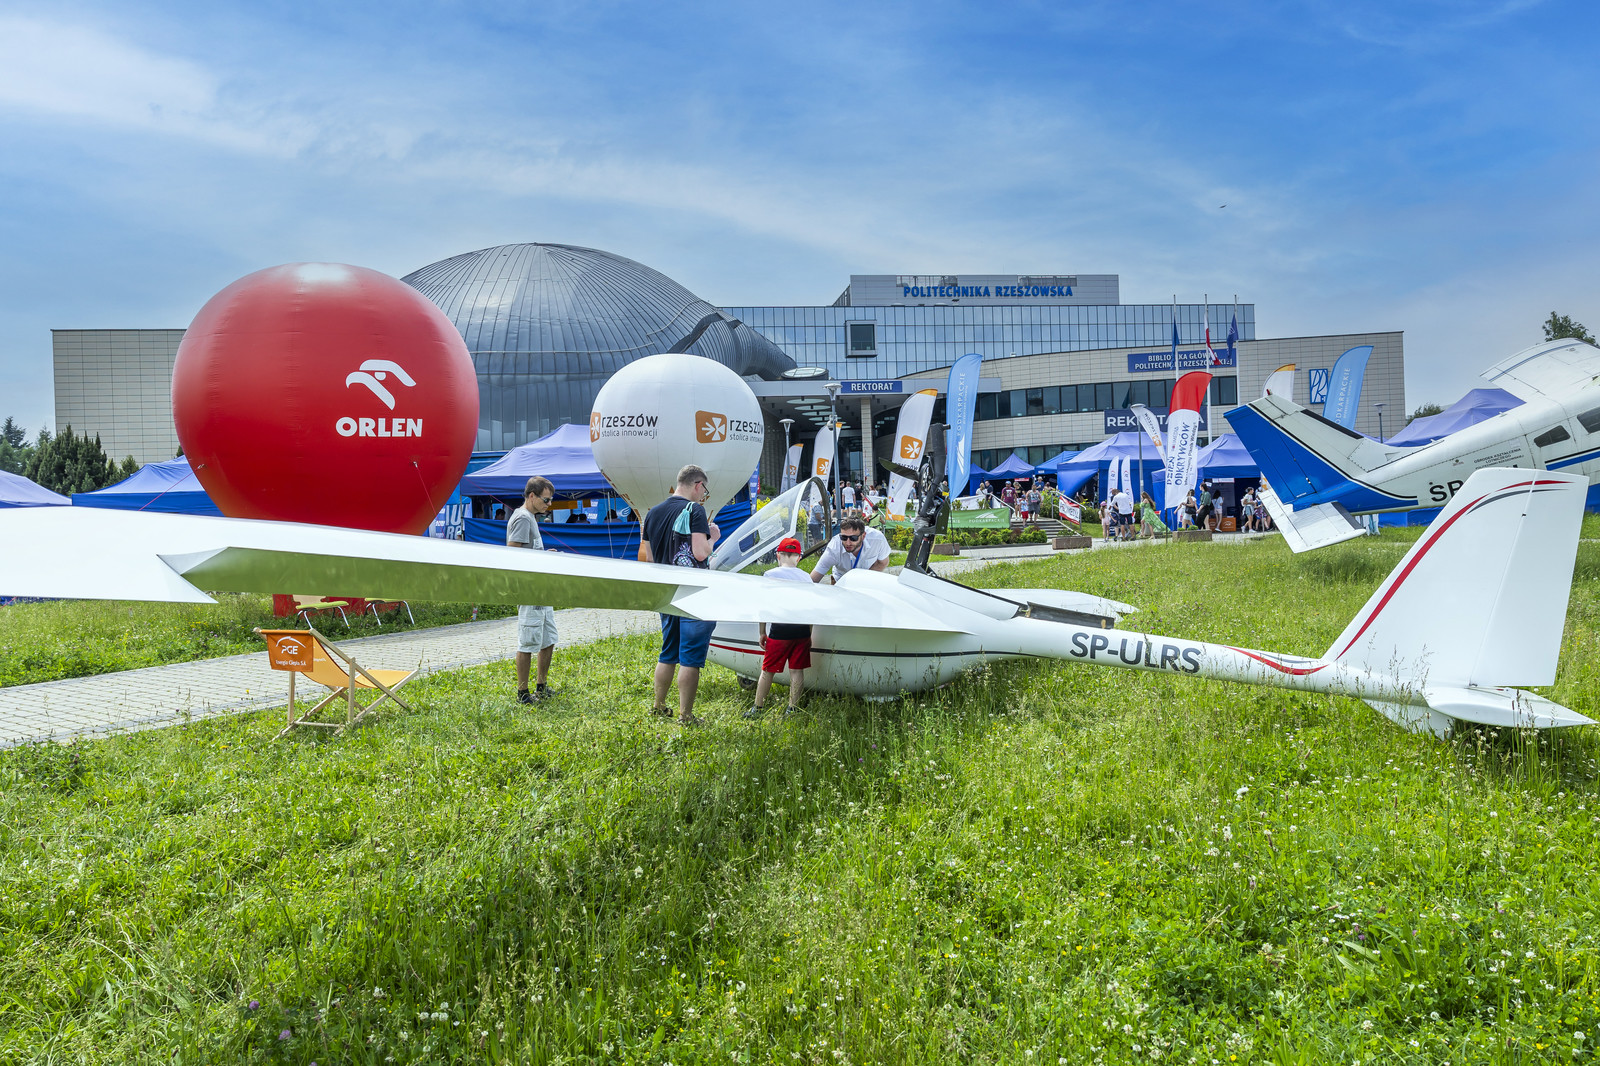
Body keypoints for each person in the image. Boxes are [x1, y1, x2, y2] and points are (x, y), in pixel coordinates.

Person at [641, 464, 721, 725]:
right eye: (704, 490)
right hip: (693, 594)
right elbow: (700, 553)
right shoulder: (694, 510)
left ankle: (659, 706)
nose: (703, 496)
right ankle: (685, 716)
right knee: (690, 658)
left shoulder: (652, 513)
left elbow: (649, 559)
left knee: (668, 652)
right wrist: (713, 537)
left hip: (667, 593)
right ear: (698, 485)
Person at [745, 537, 812, 719]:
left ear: (778, 556)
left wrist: (762, 632)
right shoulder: (806, 578)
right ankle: (792, 709)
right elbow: (811, 609)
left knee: (768, 671)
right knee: (797, 671)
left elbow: (764, 606)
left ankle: (758, 708)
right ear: (798, 557)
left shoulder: (770, 575)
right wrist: (809, 634)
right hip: (802, 631)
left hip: (780, 631)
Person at [507, 476, 557, 704]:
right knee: (527, 643)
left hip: (541, 589)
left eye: (551, 500)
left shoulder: (531, 518)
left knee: (548, 638)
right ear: (532, 496)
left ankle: (541, 687)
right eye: (546, 500)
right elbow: (512, 554)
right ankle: (523, 693)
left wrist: (544, 557)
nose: (549, 504)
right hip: (528, 591)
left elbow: (529, 553)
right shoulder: (522, 518)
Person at [811, 512, 891, 583]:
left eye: (853, 538)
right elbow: (814, 577)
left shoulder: (877, 539)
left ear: (863, 536)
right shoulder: (834, 547)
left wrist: (865, 579)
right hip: (840, 581)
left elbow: (883, 563)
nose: (848, 543)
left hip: (866, 582)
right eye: (844, 537)